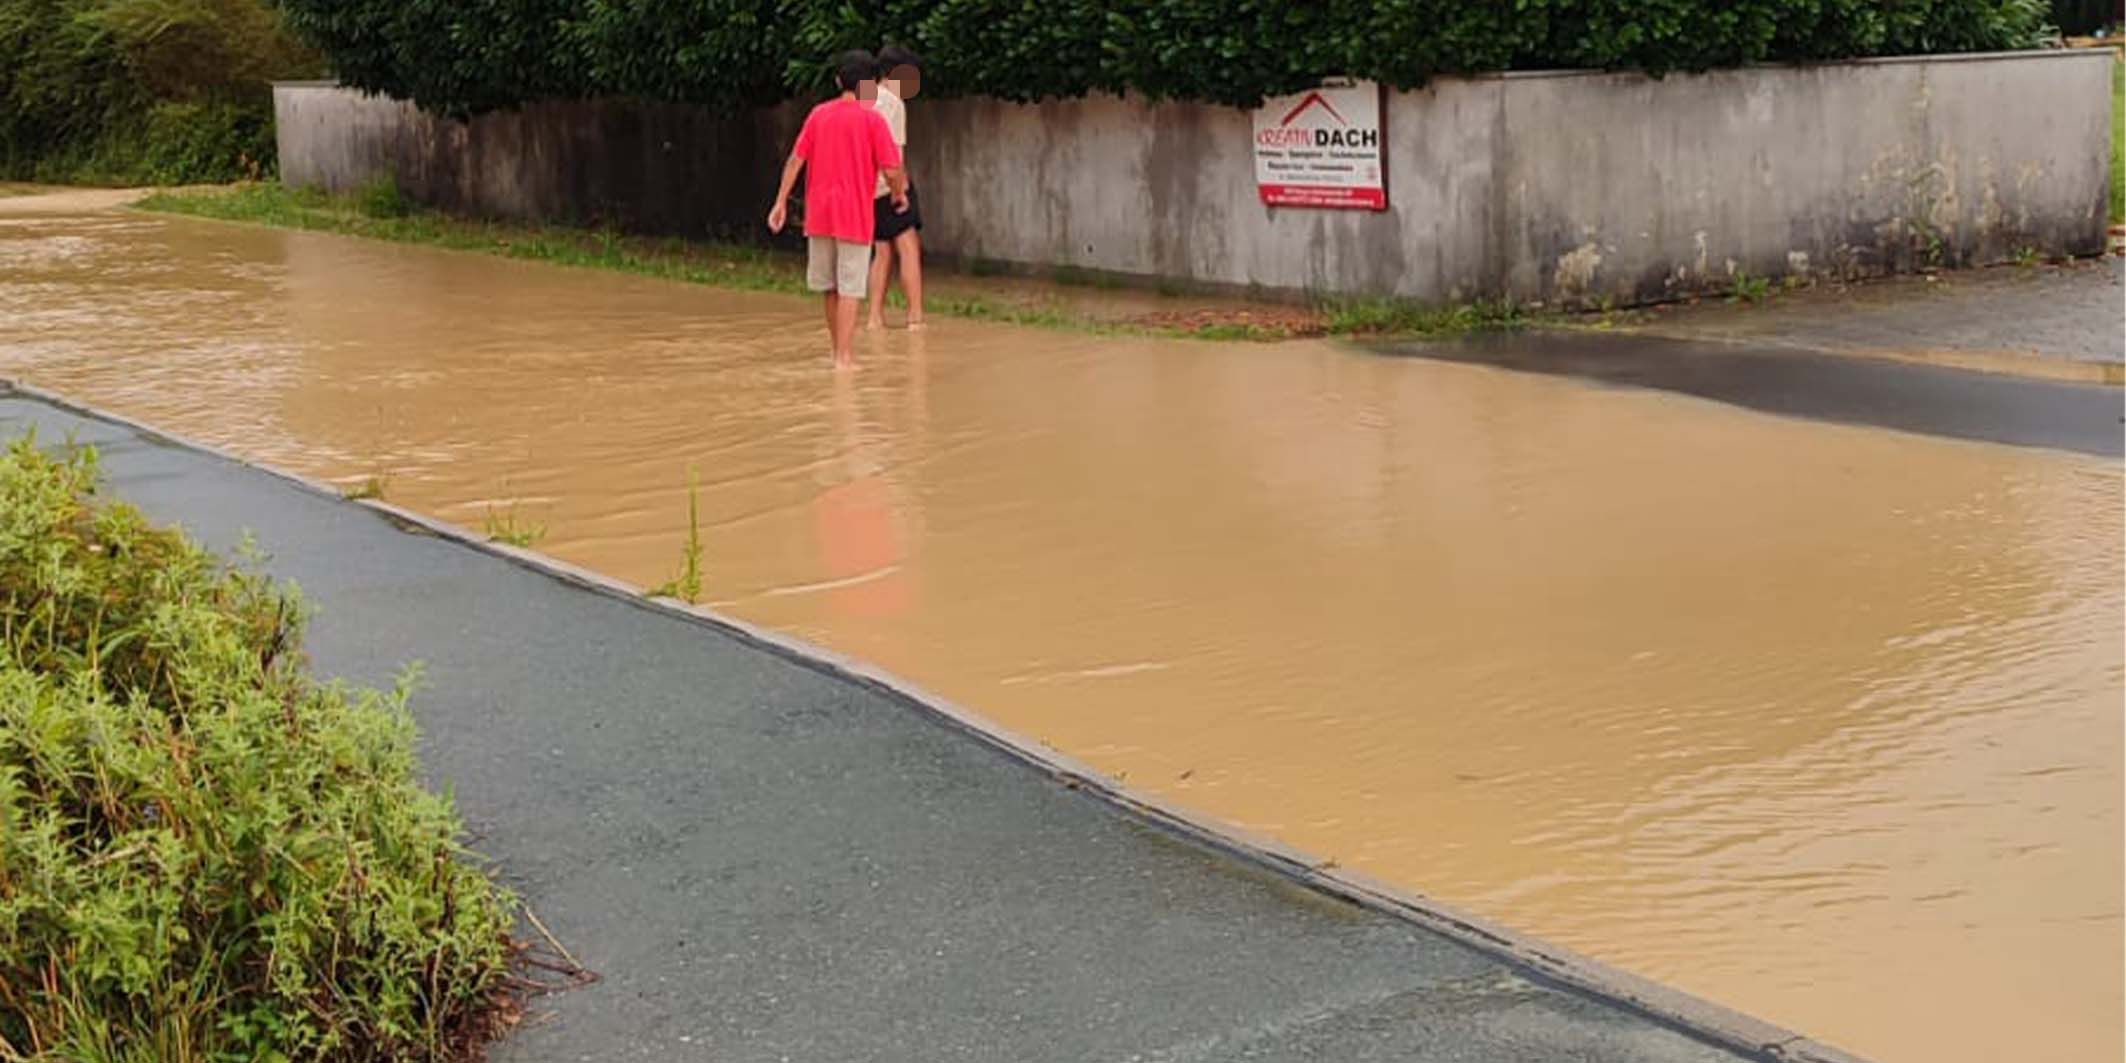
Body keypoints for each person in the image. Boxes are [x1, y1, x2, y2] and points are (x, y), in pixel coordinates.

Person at [768, 50, 908, 365]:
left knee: (829, 287)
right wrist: (899, 195)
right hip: (855, 218)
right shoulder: (873, 120)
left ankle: (836, 351)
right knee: (850, 288)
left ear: (837, 81)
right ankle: (844, 358)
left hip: (819, 217)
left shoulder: (818, 114)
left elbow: (795, 160)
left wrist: (780, 202)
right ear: (871, 85)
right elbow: (893, 169)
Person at [865, 45, 926, 330]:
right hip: (890, 187)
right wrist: (900, 189)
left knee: (882, 252)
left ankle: (874, 317)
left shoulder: (864, 95)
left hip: (867, 188)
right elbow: (893, 154)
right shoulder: (893, 104)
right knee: (909, 247)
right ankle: (915, 317)